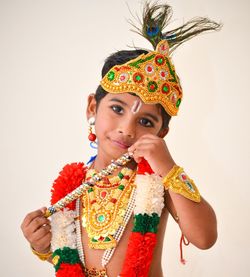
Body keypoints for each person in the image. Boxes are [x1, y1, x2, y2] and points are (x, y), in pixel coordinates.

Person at [21, 2, 221, 276]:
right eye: (117, 109)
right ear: (92, 107)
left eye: (146, 122)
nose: (127, 129)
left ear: (161, 134)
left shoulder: (159, 183)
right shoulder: (73, 186)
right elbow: (69, 254)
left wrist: (168, 167)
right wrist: (42, 246)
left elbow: (204, 238)